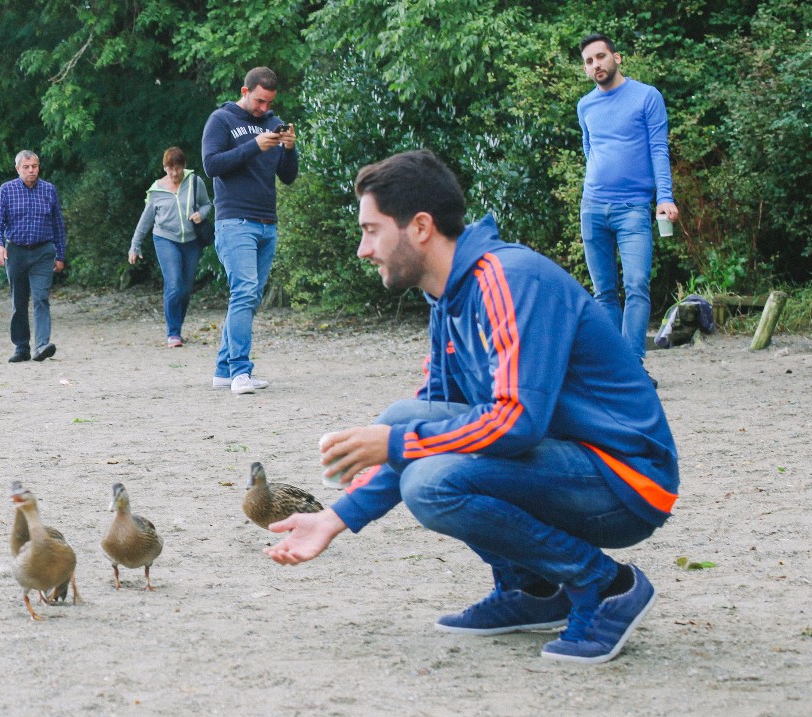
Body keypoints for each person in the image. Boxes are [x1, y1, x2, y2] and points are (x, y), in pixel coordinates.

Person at [265, 150, 678, 665]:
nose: (362, 249)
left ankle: (605, 585)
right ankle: (533, 589)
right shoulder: (450, 297)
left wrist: (395, 445)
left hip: (625, 478)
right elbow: (430, 414)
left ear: (419, 227)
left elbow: (516, 422)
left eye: (371, 230)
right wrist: (334, 517)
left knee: (430, 483)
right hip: (567, 461)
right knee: (402, 420)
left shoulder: (509, 279)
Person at [576, 33, 678, 370]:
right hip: (592, 208)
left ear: (617, 58)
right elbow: (589, 149)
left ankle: (632, 366)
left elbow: (658, 149)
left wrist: (664, 197)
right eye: (589, 61)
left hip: (633, 208)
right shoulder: (585, 105)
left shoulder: (647, 97)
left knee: (636, 286)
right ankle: (614, 369)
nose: (596, 65)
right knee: (604, 293)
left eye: (601, 57)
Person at [201, 66, 298, 394]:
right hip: (234, 221)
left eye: (269, 103)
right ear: (245, 92)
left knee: (250, 297)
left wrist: (288, 148)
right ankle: (241, 371)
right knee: (243, 292)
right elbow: (211, 165)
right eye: (259, 101)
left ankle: (223, 370)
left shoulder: (272, 122)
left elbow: (288, 176)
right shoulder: (221, 120)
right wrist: (255, 145)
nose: (264, 109)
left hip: (267, 222)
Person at [129, 147, 213, 347]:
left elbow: (207, 204)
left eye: (178, 168)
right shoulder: (156, 190)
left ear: (184, 166)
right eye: (170, 169)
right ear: (165, 167)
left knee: (185, 288)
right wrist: (135, 245)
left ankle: (178, 328)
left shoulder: (195, 182)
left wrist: (201, 214)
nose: (174, 173)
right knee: (174, 284)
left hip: (191, 240)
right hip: (165, 238)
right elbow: (146, 220)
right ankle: (173, 333)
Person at [0, 150, 67, 363]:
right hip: (16, 251)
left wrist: (60, 255)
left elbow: (58, 225)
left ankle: (41, 345)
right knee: (19, 301)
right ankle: (21, 347)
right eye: (26, 167)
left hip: (43, 252)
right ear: (18, 169)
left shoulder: (49, 190)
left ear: (39, 167)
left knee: (41, 297)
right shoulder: (7, 190)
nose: (31, 170)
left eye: (34, 166)